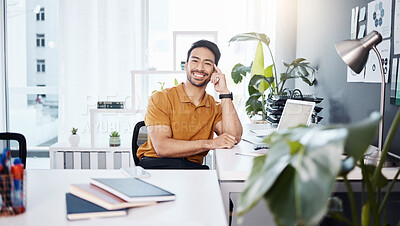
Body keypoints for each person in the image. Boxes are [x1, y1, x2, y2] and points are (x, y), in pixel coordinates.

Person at [137, 40, 243, 169]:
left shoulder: (214, 107)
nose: (200, 68)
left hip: (191, 169)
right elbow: (162, 148)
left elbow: (233, 137)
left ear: (215, 71)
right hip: (156, 166)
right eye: (195, 61)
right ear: (186, 65)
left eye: (207, 63)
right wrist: (210, 143)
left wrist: (224, 93)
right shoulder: (161, 98)